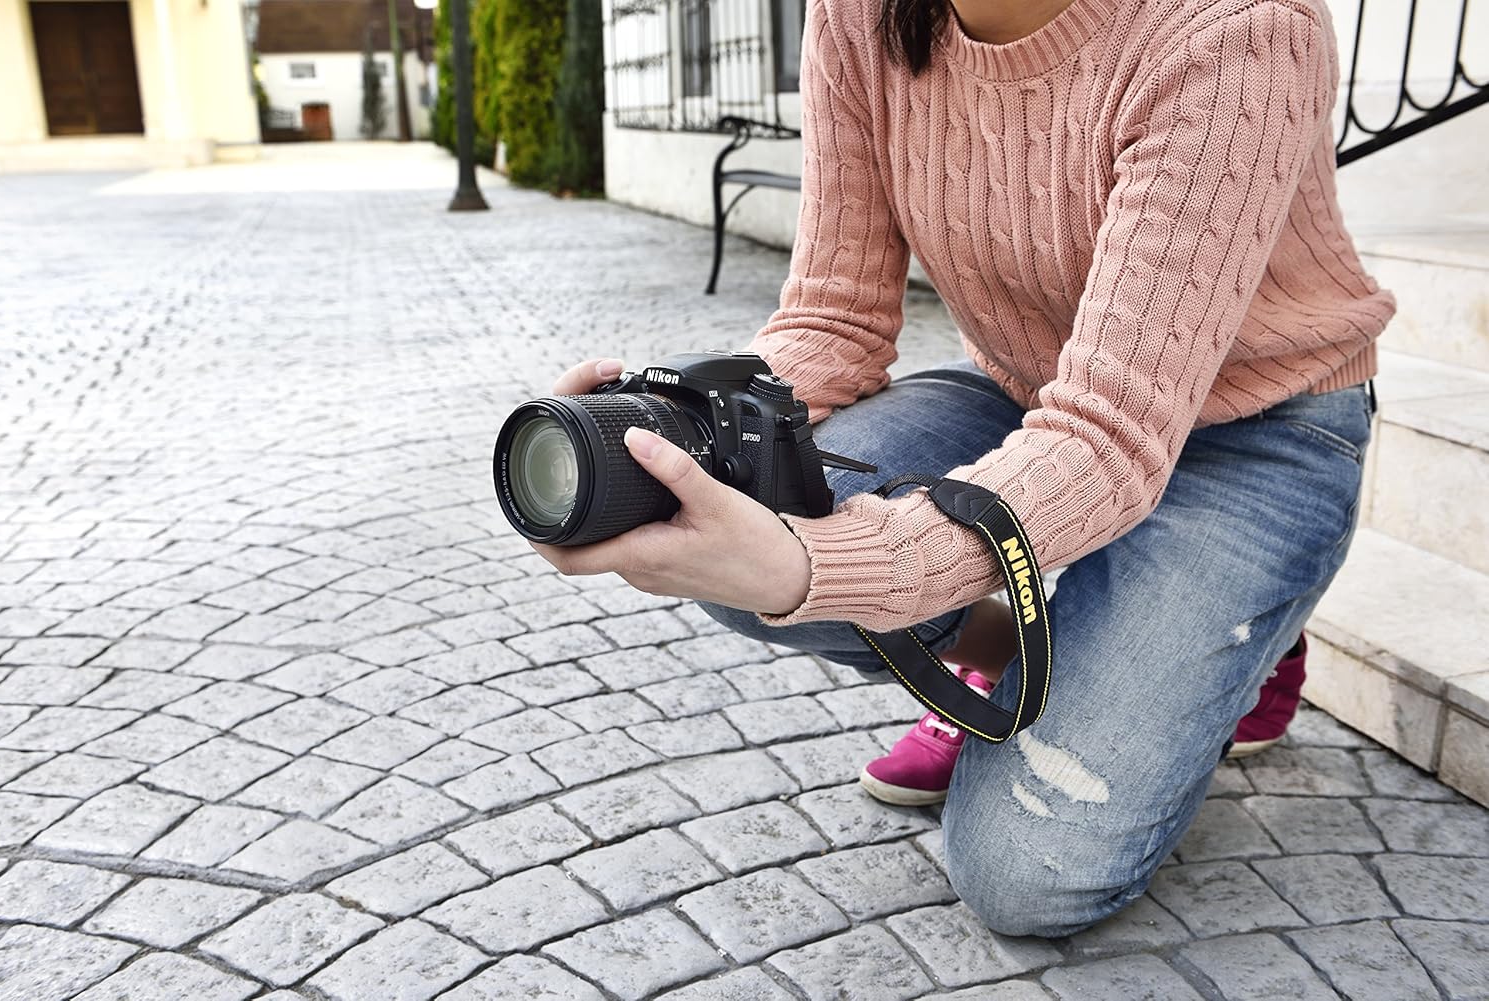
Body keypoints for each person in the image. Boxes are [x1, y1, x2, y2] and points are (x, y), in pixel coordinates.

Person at [533, 0, 1393, 937]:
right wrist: (672, 433)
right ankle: (1050, 653)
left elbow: (1111, 432)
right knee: (745, 516)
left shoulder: (1237, 29)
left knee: (1023, 877)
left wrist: (822, 567)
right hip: (1033, 390)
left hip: (1257, 430)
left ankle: (1236, 635)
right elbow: (834, 318)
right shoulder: (860, 16)